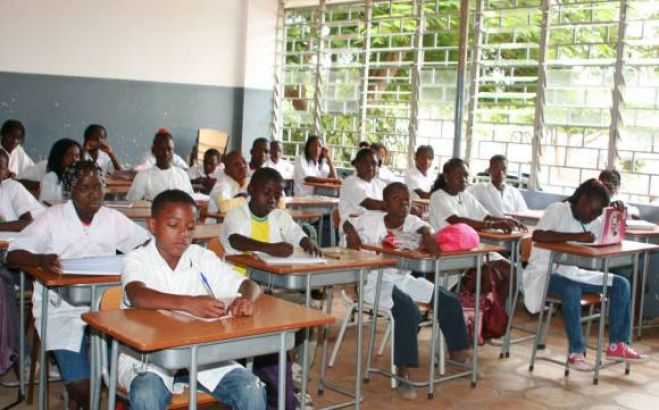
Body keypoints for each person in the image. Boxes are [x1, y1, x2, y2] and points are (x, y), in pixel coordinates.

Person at [7, 160, 151, 409]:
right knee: (83, 386)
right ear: (70, 191)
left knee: (122, 375)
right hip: (61, 307)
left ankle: (90, 398)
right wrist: (40, 259)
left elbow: (146, 243)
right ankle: (77, 395)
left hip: (105, 308)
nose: (93, 193)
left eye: (98, 186)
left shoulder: (110, 218)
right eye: (84, 188)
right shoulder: (53, 218)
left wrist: (136, 258)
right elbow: (13, 253)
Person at [119, 190, 266, 410]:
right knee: (147, 395)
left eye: (190, 228)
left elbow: (250, 286)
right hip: (149, 362)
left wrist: (245, 300)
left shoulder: (201, 257)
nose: (183, 235)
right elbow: (137, 295)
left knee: (251, 389)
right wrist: (190, 303)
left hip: (202, 358)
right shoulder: (137, 259)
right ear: (153, 225)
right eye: (173, 225)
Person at [343, 182, 471, 400]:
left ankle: (457, 351)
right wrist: (350, 232)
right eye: (396, 198)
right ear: (385, 203)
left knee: (448, 299)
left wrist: (428, 235)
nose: (403, 203)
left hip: (402, 279)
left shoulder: (411, 221)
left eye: (406, 199)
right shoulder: (371, 219)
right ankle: (402, 371)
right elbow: (345, 221)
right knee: (408, 310)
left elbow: (423, 226)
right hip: (374, 282)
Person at [524, 179, 648, 369]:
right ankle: (576, 352)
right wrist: (576, 237)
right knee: (571, 289)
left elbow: (612, 236)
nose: (594, 216)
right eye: (593, 210)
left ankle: (618, 344)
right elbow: (538, 235)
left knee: (621, 284)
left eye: (599, 213)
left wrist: (615, 216)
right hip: (545, 274)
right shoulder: (558, 210)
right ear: (582, 199)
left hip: (573, 272)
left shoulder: (593, 220)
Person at [429, 158, 524, 298]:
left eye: (466, 175)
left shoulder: (465, 195)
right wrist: (492, 225)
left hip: (472, 250)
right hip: (451, 254)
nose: (463, 179)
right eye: (458, 175)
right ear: (446, 177)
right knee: (491, 276)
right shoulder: (438, 197)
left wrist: (506, 220)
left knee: (514, 272)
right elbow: (457, 221)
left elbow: (484, 216)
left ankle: (494, 315)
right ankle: (472, 312)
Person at [220, 167, 320, 258]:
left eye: (277, 196)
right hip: (240, 273)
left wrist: (307, 241)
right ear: (251, 189)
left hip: (269, 274)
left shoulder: (280, 216)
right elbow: (234, 240)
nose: (272, 200)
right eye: (266, 193)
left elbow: (295, 233)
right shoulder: (235, 214)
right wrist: (270, 248)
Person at [126, 129, 194, 201]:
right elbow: (132, 202)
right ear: (153, 150)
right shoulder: (143, 176)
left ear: (173, 151)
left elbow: (191, 201)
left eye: (169, 149)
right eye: (161, 149)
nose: (166, 153)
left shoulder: (182, 174)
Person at [338, 148, 387, 225]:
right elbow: (369, 204)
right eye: (365, 163)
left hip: (376, 225)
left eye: (373, 163)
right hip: (353, 228)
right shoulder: (350, 182)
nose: (370, 167)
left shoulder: (381, 184)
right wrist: (396, 206)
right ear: (357, 165)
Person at [0, 149, 44, 231]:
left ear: (6, 173)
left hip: (40, 230)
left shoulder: (12, 188)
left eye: (0, 167)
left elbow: (27, 223)